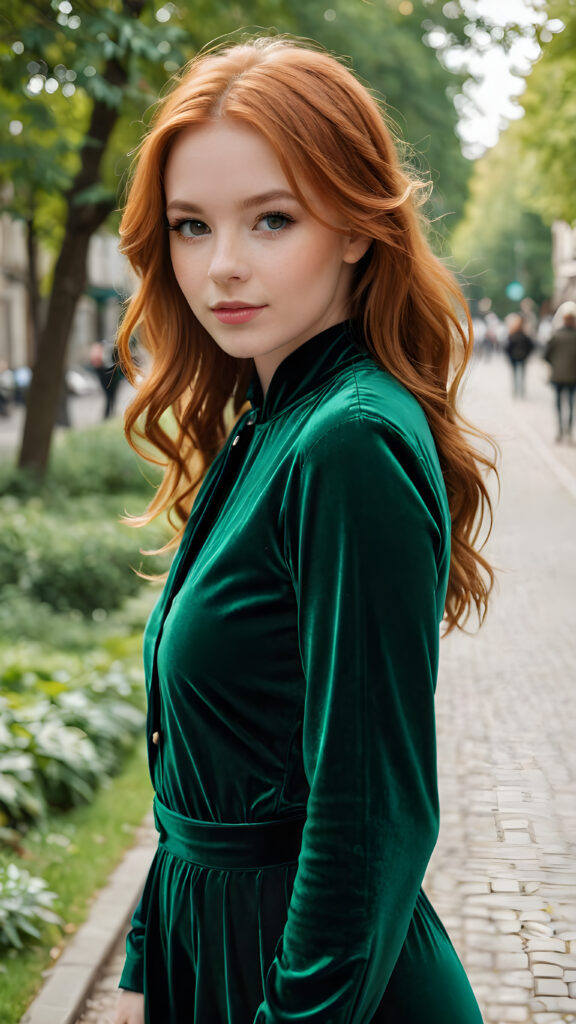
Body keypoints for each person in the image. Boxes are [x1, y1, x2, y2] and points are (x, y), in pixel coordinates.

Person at [113, 37, 497, 1024]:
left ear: (358, 227)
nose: (222, 266)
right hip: (234, 956)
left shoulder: (346, 442)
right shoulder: (271, 420)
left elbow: (375, 816)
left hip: (308, 984)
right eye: (192, 226)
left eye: (272, 219)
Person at [544, 303, 576, 442]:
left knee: (558, 404)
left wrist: (554, 364)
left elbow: (546, 355)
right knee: (570, 403)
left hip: (557, 375)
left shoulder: (556, 336)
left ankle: (560, 430)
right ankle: (568, 431)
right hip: (573, 376)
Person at [504, 313, 534, 398]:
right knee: (521, 374)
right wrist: (526, 354)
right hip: (522, 357)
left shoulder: (512, 335)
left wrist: (510, 356)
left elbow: (507, 347)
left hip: (514, 357)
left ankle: (516, 390)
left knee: (515, 374)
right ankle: (520, 390)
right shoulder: (524, 335)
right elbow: (531, 346)